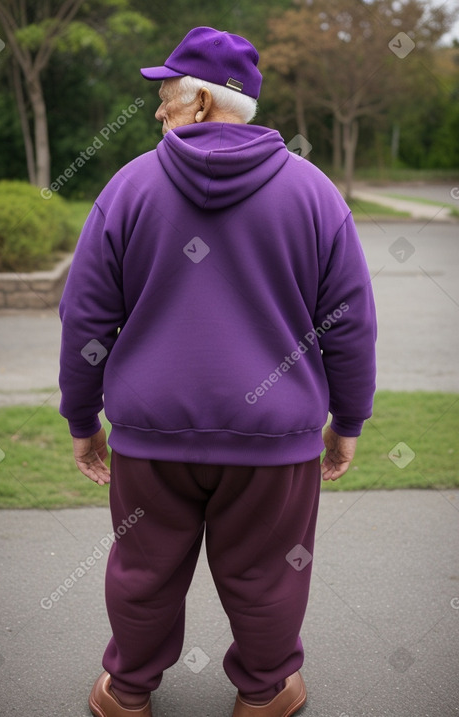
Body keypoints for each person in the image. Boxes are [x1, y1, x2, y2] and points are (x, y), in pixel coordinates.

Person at [58, 26, 376, 717]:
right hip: (275, 438)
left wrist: (83, 419)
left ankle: (126, 691)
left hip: (150, 434)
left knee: (143, 570)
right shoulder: (316, 193)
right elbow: (350, 323)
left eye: (167, 96)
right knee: (268, 575)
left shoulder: (128, 187)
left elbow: (85, 321)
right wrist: (347, 420)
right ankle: (264, 693)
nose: (157, 111)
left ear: (201, 103)